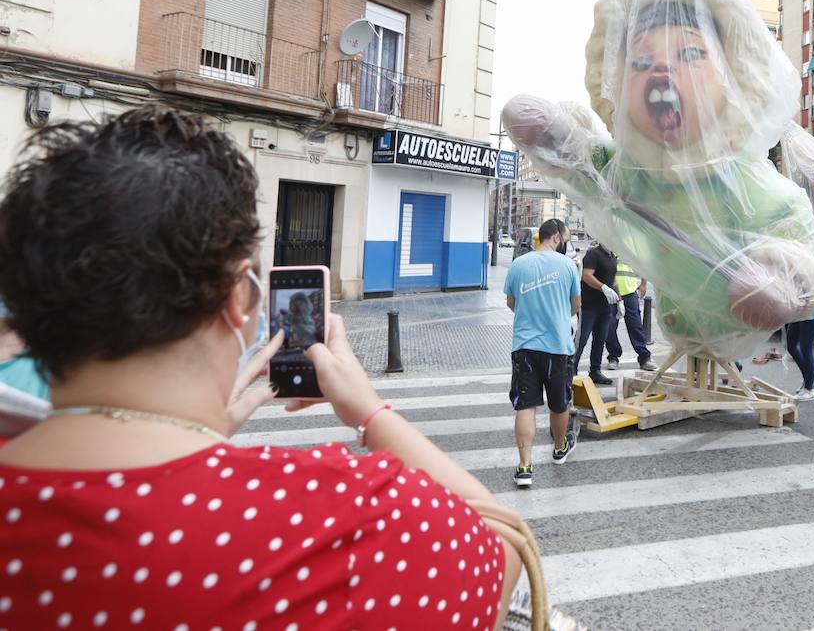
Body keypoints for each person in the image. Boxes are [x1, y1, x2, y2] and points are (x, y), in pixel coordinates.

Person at [0, 107, 521, 629]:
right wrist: (369, 411)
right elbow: (503, 545)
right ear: (236, 300)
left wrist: (182, 438)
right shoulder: (333, 515)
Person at [504, 218, 581, 488]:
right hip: (557, 346)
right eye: (567, 238)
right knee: (559, 403)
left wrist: (528, 314)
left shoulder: (519, 264)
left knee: (525, 405)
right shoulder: (568, 265)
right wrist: (559, 315)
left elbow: (511, 301)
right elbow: (575, 305)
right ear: (557, 238)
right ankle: (559, 448)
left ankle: (524, 466)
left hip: (524, 346)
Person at [575, 239, 620, 386]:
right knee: (581, 339)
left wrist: (620, 301)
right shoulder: (593, 254)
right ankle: (571, 369)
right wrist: (603, 287)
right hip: (589, 305)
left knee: (600, 339)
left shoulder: (613, 257)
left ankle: (595, 371)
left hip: (605, 307)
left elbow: (613, 280)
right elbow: (587, 275)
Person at [605, 254, 656, 371]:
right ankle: (613, 356)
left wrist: (643, 284)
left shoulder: (629, 246)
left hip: (630, 291)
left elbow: (643, 264)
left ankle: (644, 358)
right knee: (609, 327)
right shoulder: (609, 247)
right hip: (612, 293)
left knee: (635, 326)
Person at [784, 305, 814, 401]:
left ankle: (809, 390)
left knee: (806, 350)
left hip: (811, 314)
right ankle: (809, 379)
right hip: (798, 314)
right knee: (791, 345)